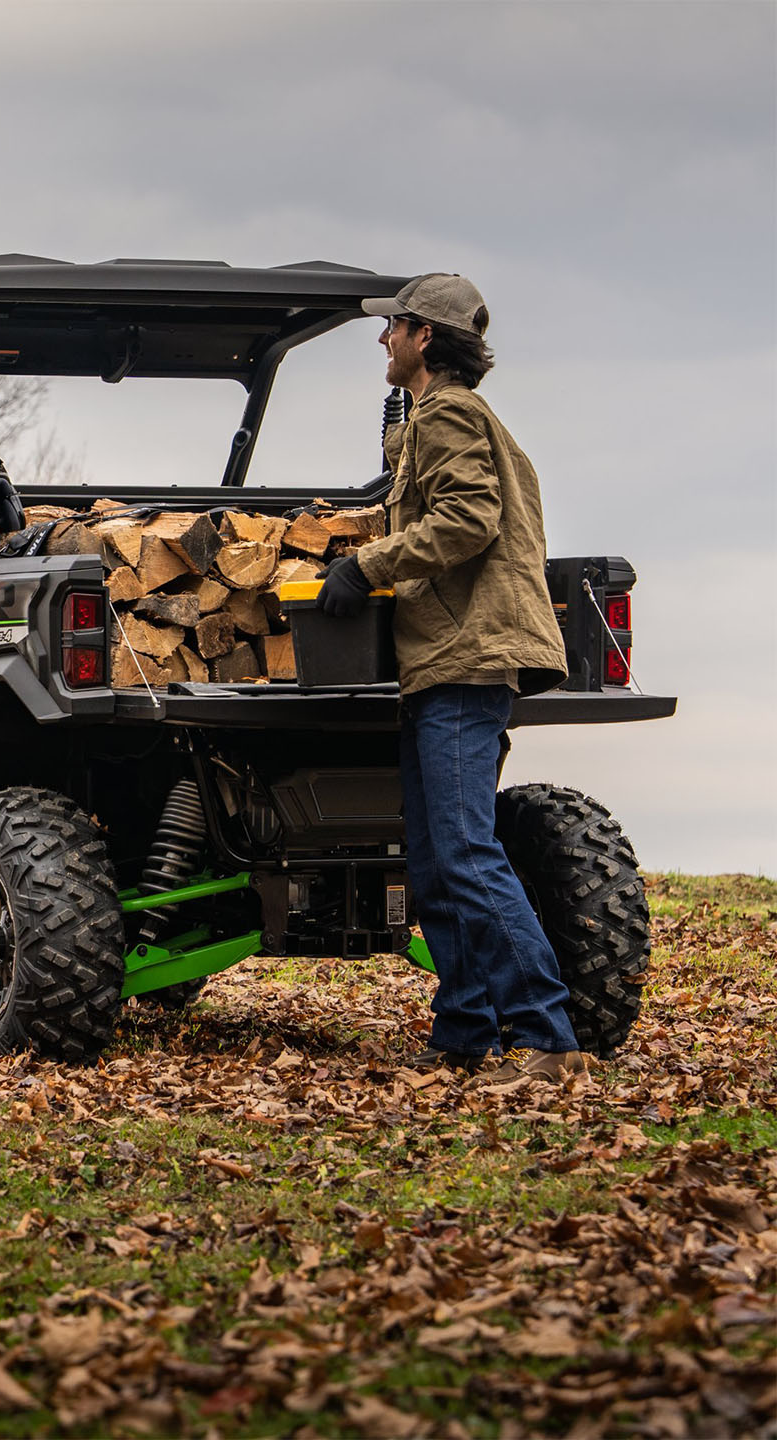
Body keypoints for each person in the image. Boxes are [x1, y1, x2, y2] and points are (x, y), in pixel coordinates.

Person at [316, 275, 585, 1082]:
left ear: (423, 336)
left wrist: (366, 565)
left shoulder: (453, 413)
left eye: (391, 327)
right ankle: (465, 1034)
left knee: (466, 853)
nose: (382, 341)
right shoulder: (443, 420)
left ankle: (547, 1037)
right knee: (435, 863)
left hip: (468, 660)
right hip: (444, 661)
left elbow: (468, 521)